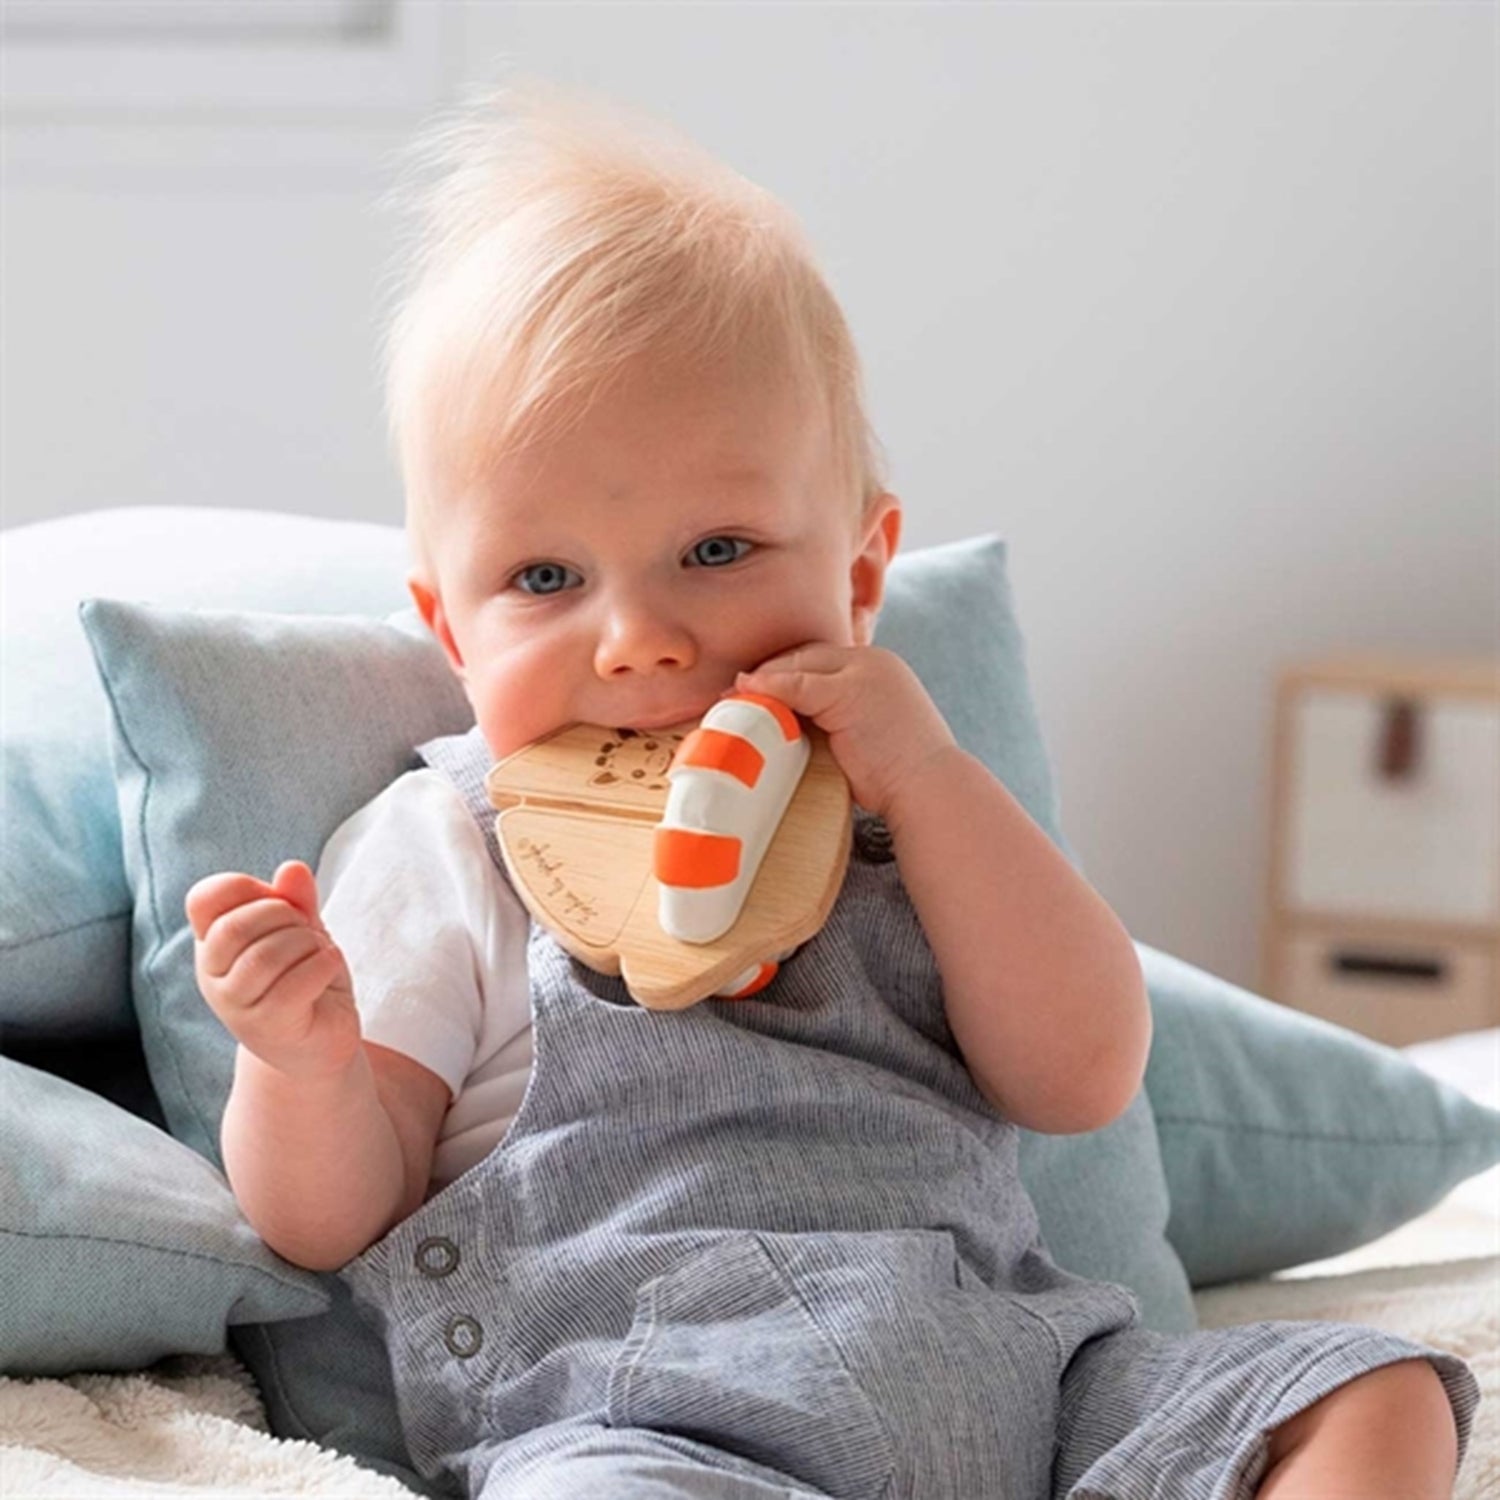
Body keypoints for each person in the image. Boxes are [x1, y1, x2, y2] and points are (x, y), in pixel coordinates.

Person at [186, 78, 1477, 1500]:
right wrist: (300, 1064)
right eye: (545, 577)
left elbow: (1081, 1075)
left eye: (717, 550)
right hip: (653, 1421)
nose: (640, 640)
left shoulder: (902, 806)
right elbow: (329, 1218)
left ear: (861, 576)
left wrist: (930, 781)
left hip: (1027, 1395)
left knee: (1372, 1393)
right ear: (450, 630)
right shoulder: (448, 844)